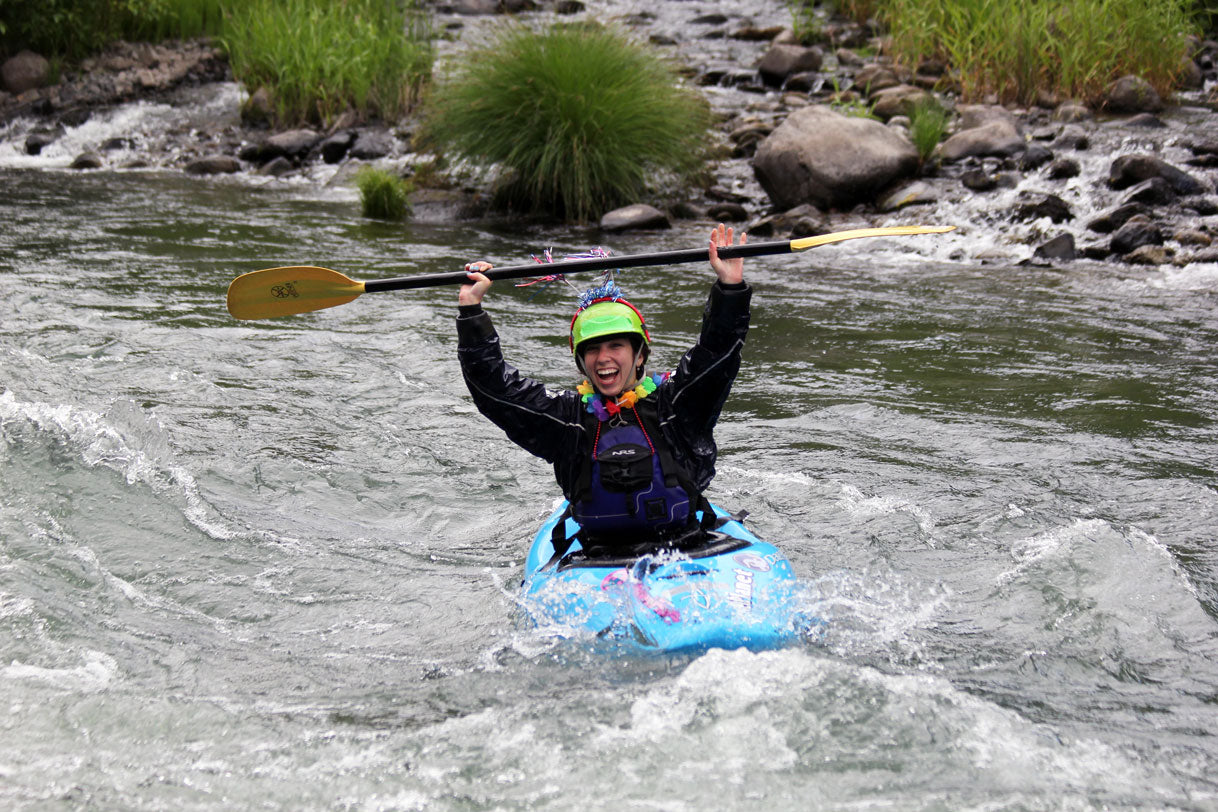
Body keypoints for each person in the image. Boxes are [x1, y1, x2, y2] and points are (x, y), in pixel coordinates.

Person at [457, 224, 749, 559]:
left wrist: (730, 287)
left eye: (615, 346)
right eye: (592, 349)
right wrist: (470, 309)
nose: (604, 358)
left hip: (686, 550)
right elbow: (494, 390)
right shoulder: (568, 420)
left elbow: (718, 353)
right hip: (597, 560)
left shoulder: (677, 406)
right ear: (581, 363)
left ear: (640, 355)